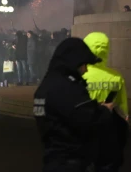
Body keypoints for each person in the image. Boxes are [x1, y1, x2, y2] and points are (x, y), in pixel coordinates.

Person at [33, 38, 115, 172]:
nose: (86, 70)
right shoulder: (67, 88)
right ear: (73, 62)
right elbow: (89, 122)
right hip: (72, 163)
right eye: (84, 64)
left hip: (52, 160)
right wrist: (105, 110)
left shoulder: (45, 87)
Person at [83, 32, 129, 171]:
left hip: (83, 135)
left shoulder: (76, 76)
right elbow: (123, 112)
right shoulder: (116, 77)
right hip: (108, 137)